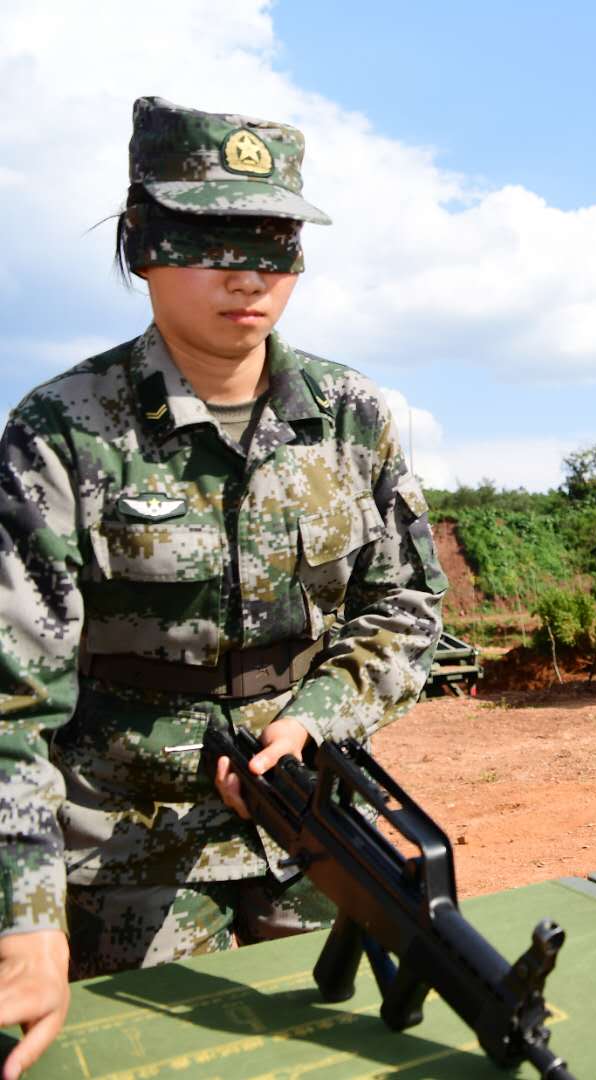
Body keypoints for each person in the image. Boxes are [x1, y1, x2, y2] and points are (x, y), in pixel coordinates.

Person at [0, 97, 446, 1076]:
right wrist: (24, 918)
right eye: (208, 236)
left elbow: (406, 607)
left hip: (311, 803)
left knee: (357, 1055)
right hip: (124, 838)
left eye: (274, 239)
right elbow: (12, 706)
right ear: (143, 243)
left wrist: (318, 718)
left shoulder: (353, 416)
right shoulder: (62, 432)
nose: (249, 271)